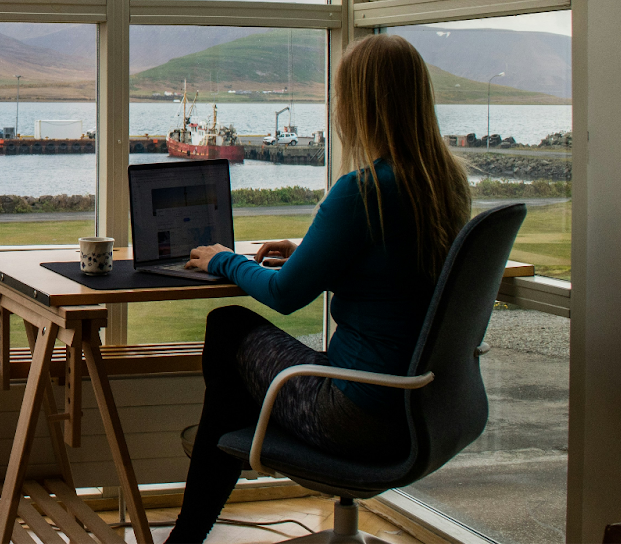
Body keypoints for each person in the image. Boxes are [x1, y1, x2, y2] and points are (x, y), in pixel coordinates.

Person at [164, 33, 472, 544]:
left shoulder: (362, 191)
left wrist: (224, 260)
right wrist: (311, 251)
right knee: (234, 381)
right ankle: (220, 458)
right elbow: (390, 266)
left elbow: (285, 295)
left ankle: (195, 517)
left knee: (228, 326)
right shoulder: (445, 184)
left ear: (359, 106)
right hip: (427, 409)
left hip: (354, 415)